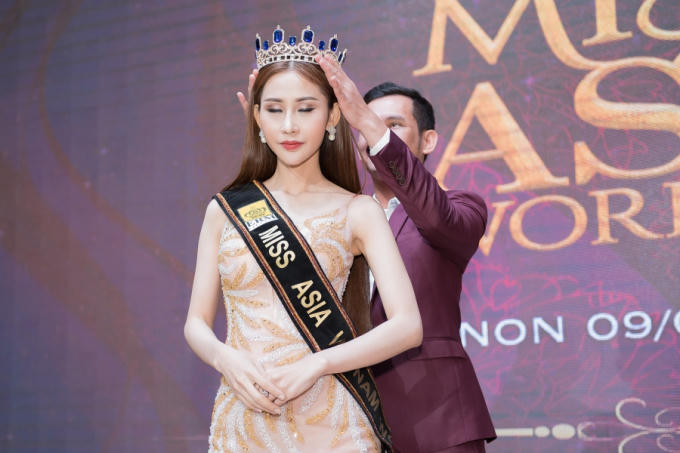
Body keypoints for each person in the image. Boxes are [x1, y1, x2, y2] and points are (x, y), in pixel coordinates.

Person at [184, 25, 422, 453]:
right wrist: (224, 357)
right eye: (274, 110)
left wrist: (318, 362)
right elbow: (196, 323)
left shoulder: (358, 211)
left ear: (332, 117)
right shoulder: (225, 209)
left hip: (334, 423)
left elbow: (407, 326)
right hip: (243, 421)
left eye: (306, 109)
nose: (289, 125)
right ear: (257, 118)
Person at [353, 82, 498, 452]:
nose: (374, 134)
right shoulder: (340, 221)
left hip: (437, 420)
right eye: (366, 124)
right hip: (350, 424)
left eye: (393, 125)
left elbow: (436, 219)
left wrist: (372, 129)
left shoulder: (461, 207)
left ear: (428, 140)